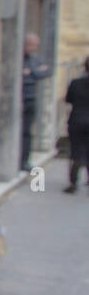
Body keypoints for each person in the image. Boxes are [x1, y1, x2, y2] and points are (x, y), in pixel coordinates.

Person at [21, 32, 52, 172]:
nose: (32, 48)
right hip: (18, 98)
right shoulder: (18, 57)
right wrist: (33, 72)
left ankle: (24, 161)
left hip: (30, 99)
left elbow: (46, 71)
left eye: (35, 45)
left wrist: (30, 72)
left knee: (27, 131)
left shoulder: (35, 59)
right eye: (30, 44)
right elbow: (20, 74)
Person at [64, 55, 89, 193]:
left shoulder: (76, 83)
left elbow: (68, 99)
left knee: (76, 151)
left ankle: (73, 182)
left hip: (77, 120)